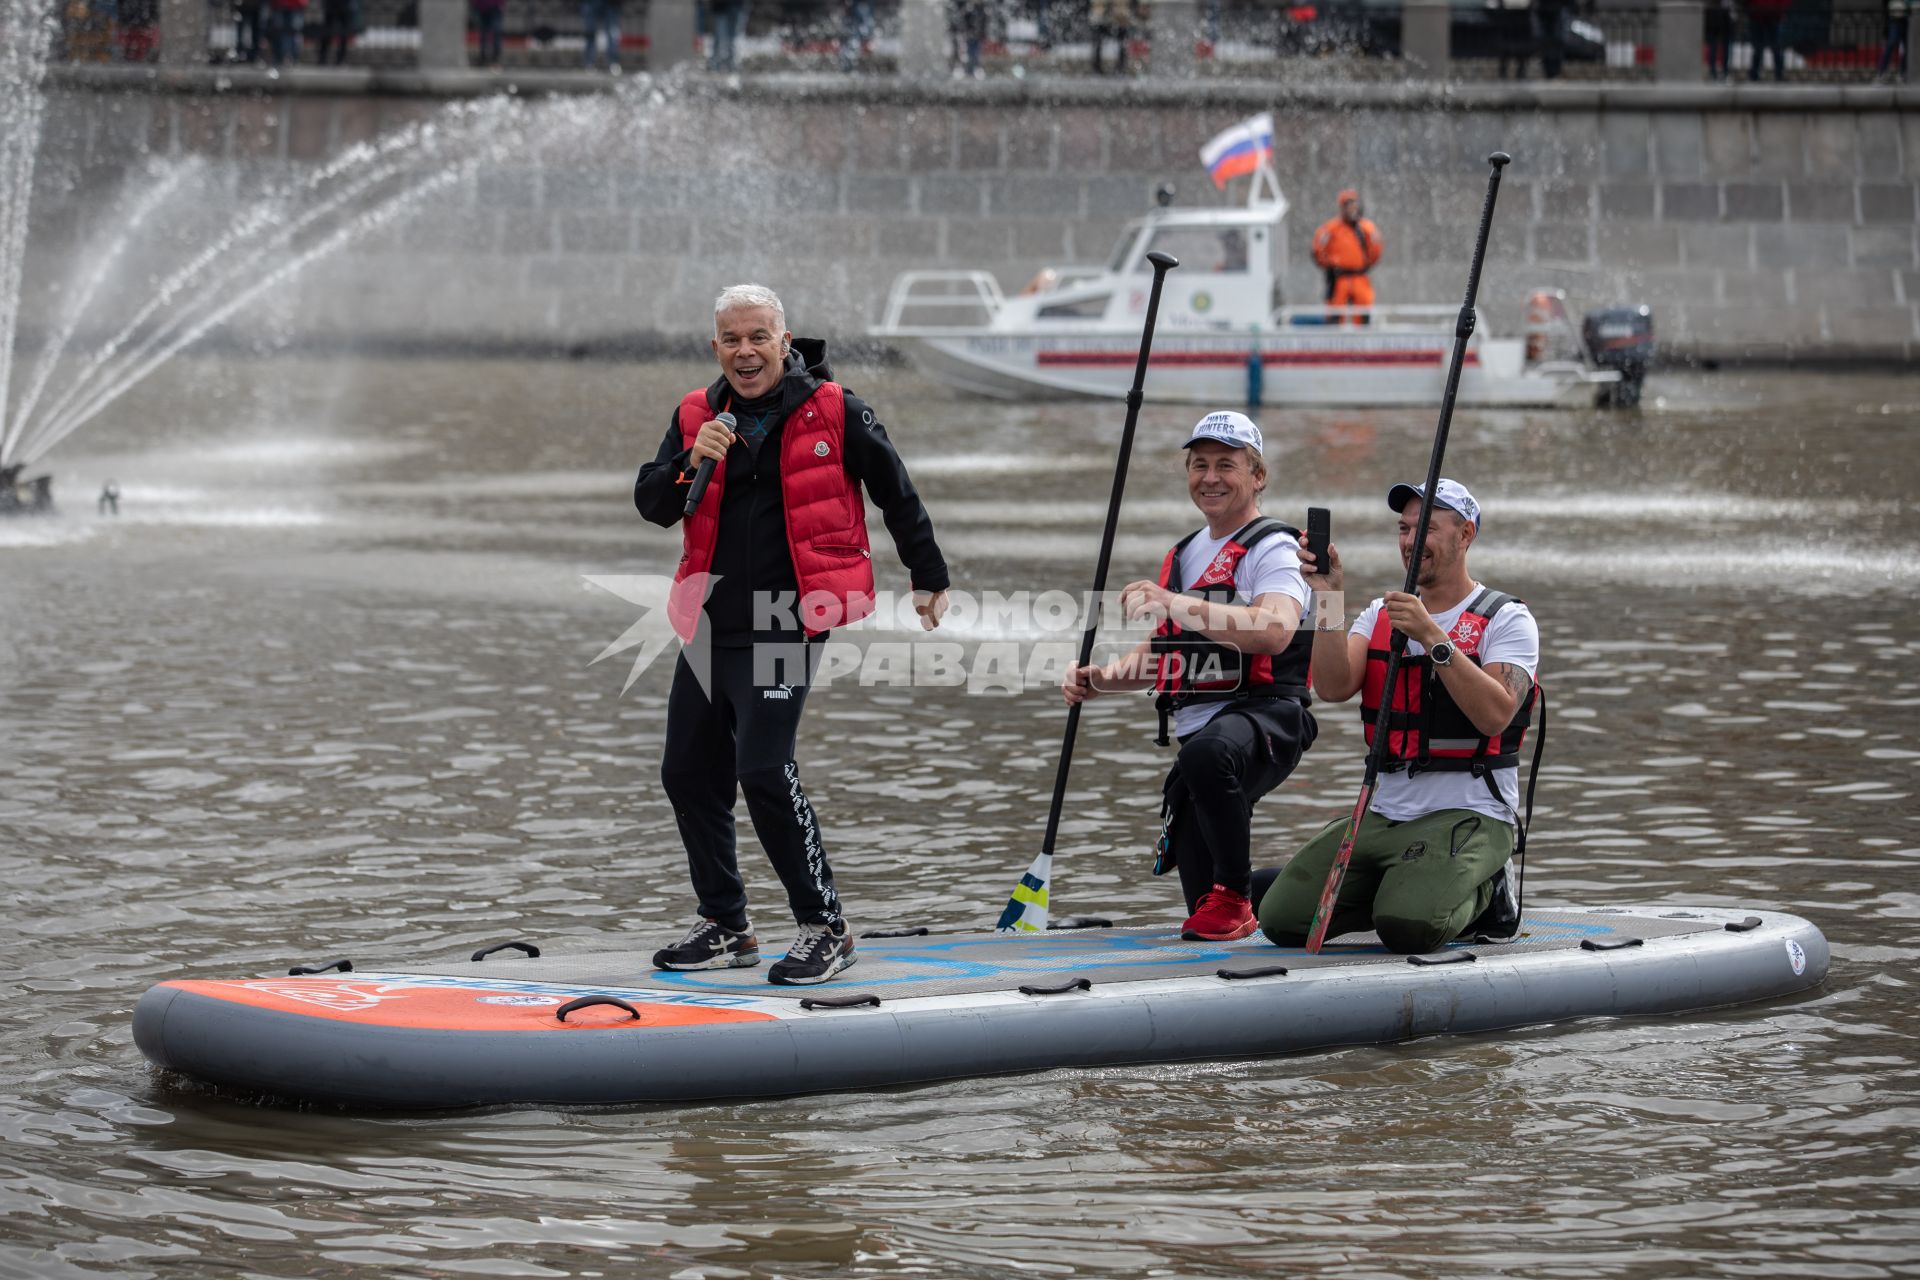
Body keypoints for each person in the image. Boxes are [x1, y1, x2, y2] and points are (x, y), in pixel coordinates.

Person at [633, 285, 951, 985]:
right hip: (711, 619)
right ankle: (726, 923)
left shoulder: (837, 409)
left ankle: (825, 927)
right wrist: (691, 459)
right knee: (686, 771)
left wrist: (928, 576)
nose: (746, 351)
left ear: (785, 340)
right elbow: (653, 502)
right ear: (716, 347)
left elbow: (896, 492)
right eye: (731, 340)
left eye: (759, 337)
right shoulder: (696, 413)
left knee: (762, 770)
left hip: (788, 616)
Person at [1255, 480, 1540, 955]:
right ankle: (1395, 887)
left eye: (1426, 528)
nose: (1410, 541)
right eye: (1404, 528)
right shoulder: (1379, 614)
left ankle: (1490, 891)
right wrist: (1328, 596)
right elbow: (1331, 687)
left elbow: (1495, 716)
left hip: (1471, 813)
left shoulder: (1508, 618)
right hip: (1385, 814)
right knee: (1282, 920)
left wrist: (1432, 636)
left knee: (1409, 928)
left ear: (1465, 535)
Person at [1062, 412, 1317, 942]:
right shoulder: (1181, 554)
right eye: (1199, 465)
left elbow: (1273, 631)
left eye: (1227, 464)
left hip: (1268, 716)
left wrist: (1174, 601)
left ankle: (1235, 897)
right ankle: (1308, 888)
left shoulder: (1275, 548)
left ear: (1258, 476)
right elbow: (1166, 653)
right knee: (1201, 902)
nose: (1211, 477)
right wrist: (1099, 680)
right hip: (1203, 733)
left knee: (1206, 758)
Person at [1311, 189, 1383, 326]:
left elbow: (1376, 249)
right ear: (1342, 208)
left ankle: (1362, 342)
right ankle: (1335, 342)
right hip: (1339, 278)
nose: (1351, 210)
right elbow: (1317, 250)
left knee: (1363, 313)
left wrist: (1365, 264)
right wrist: (1330, 264)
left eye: (1354, 205)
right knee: (1335, 314)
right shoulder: (1331, 228)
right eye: (1348, 206)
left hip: (1359, 277)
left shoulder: (1366, 228)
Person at [1744, 0, 1789, 81]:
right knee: (1764, 47)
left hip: (1768, 15)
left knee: (1772, 47)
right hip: (1762, 15)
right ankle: (1777, 73)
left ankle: (1777, 73)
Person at [1091, 0, 1140, 75]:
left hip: (1121, 20)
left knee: (1123, 42)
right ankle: (1097, 67)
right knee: (1098, 41)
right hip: (1103, 21)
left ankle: (1121, 67)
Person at [582, 0, 621, 71]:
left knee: (612, 32)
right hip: (591, 3)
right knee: (590, 33)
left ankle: (613, 63)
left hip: (610, 3)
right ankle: (589, 63)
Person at [708, 0, 746, 71]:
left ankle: (730, 61)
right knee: (720, 36)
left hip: (735, 6)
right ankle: (716, 61)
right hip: (720, 7)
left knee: (732, 38)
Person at [1880, 0, 1911, 81]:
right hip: (1895, 16)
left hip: (1907, 15)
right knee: (1891, 43)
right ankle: (1883, 71)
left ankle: (1903, 72)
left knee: (1908, 46)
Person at [1705, 0, 1735, 79]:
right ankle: (1713, 71)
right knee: (1713, 47)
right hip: (1713, 17)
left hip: (1726, 17)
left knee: (1725, 47)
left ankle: (1725, 71)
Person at [471, 0, 504, 66]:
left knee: (495, 31)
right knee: (484, 33)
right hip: (483, 7)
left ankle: (495, 58)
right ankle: (484, 57)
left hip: (494, 6)